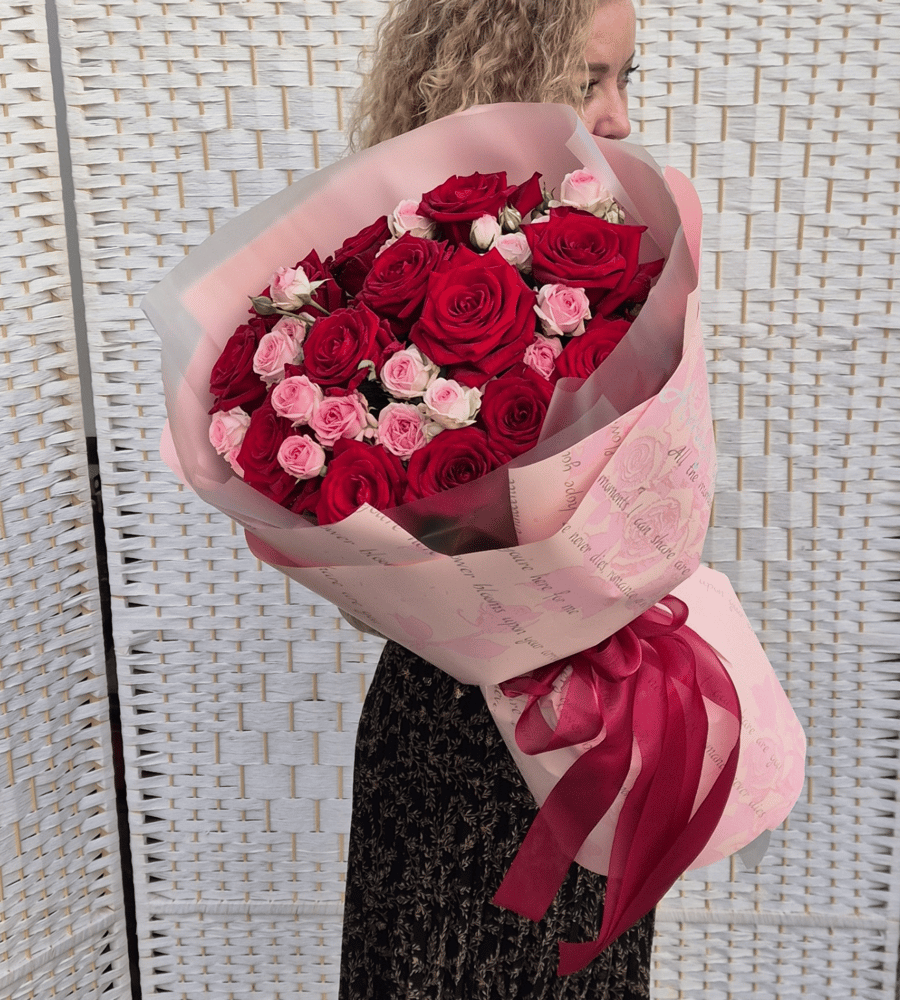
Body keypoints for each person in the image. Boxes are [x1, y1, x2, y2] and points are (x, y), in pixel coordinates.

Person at [339, 2, 651, 997]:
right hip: (450, 739)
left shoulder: (622, 272)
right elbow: (360, 543)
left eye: (628, 78)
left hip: (593, 733)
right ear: (506, 83)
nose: (619, 116)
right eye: (589, 81)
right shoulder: (384, 279)